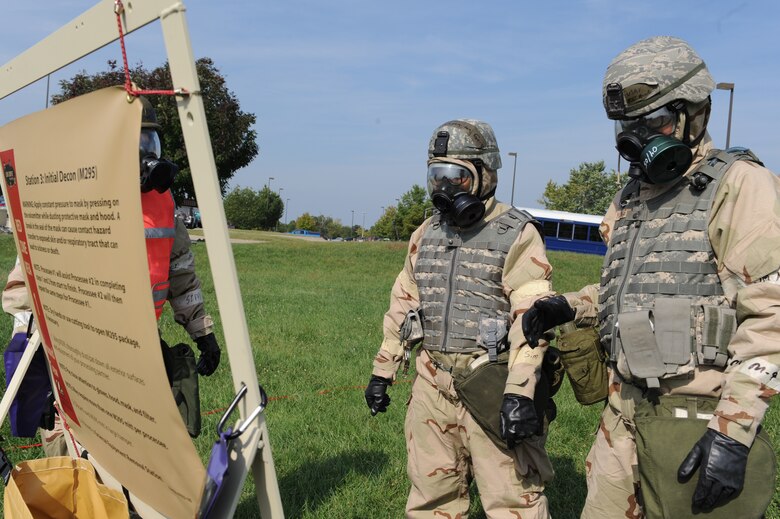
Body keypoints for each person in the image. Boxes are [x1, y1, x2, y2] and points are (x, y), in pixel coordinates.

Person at [522, 36, 780, 518]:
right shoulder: (630, 197)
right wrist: (571, 305)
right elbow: (629, 288)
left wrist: (734, 429)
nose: (637, 141)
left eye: (653, 122)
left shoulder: (741, 186)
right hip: (622, 412)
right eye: (628, 127)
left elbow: (771, 314)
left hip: (696, 417)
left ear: (695, 113)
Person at [1, 95, 221, 454]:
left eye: (150, 141)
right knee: (73, 451)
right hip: (77, 352)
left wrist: (203, 333)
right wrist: (34, 370)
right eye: (136, 143)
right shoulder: (68, 199)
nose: (146, 153)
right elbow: (27, 288)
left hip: (139, 349)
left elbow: (181, 275)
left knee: (140, 449)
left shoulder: (164, 204)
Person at [365, 119, 560, 518]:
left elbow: (532, 320)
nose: (445, 187)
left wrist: (520, 393)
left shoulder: (517, 234)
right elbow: (404, 304)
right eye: (437, 176)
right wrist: (382, 371)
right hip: (432, 387)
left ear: (485, 175)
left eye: (457, 177)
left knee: (513, 502)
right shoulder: (425, 234)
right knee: (431, 499)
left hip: (492, 385)